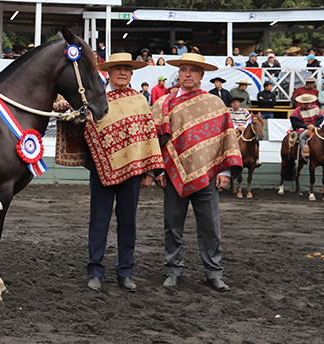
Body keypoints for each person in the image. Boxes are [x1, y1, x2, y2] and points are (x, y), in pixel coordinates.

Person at [152, 52, 243, 292]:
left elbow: (227, 137)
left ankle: (213, 272)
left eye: (193, 70)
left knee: (211, 226)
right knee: (172, 225)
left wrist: (224, 169)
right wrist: (159, 170)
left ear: (202, 75)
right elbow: (155, 141)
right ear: (179, 74)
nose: (188, 74)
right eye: (184, 70)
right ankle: (172, 270)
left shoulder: (215, 103)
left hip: (208, 176)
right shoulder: (163, 104)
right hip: (173, 176)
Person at [83, 53, 164, 293]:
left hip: (133, 171)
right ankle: (95, 272)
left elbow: (148, 136)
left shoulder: (139, 100)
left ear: (132, 73)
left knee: (128, 222)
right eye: (118, 68)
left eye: (127, 69)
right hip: (102, 169)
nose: (122, 72)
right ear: (108, 72)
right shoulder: (97, 99)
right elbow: (85, 129)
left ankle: (125, 272)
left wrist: (149, 171)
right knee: (99, 221)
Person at [290, 94, 323, 160]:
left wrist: (314, 125)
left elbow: (321, 118)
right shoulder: (297, 111)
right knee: (303, 137)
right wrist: (306, 126)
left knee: (323, 137)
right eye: (305, 103)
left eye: (307, 103)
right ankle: (305, 155)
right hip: (303, 129)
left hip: (315, 128)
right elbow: (295, 123)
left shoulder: (316, 108)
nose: (306, 104)